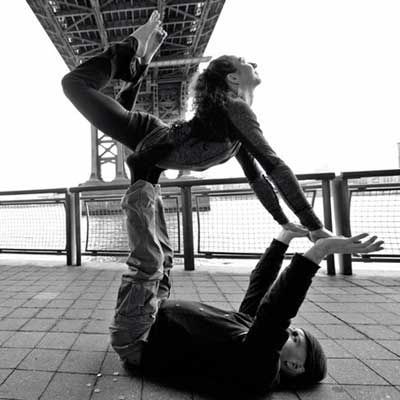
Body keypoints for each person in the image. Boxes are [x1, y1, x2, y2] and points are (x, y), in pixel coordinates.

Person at [61, 10, 333, 242]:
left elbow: (260, 174)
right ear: (233, 79)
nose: (253, 63)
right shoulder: (234, 109)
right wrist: (315, 226)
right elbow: (274, 166)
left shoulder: (232, 117)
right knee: (74, 85)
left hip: (152, 144)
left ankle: (140, 62)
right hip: (148, 137)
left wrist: (285, 223)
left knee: (108, 102)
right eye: (245, 62)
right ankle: (131, 49)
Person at [108, 179, 384, 395]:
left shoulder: (258, 373)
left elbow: (276, 314)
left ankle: (141, 182)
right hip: (154, 310)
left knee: (149, 263)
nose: (289, 332)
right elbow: (260, 288)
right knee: (165, 258)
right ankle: (149, 180)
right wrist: (284, 237)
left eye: (296, 339)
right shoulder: (249, 342)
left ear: (295, 366)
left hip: (138, 334)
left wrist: (321, 250)